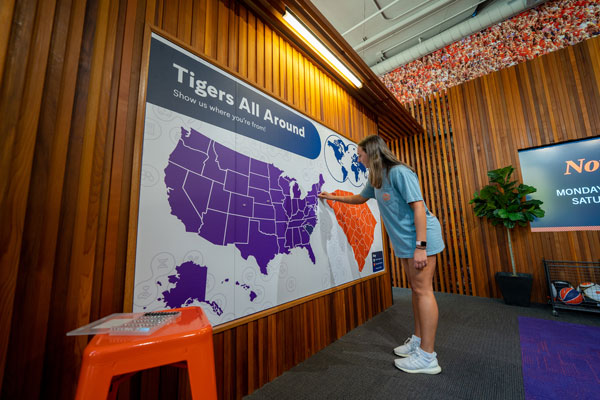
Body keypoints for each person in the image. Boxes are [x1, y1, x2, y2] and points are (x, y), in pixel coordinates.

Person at [318, 135, 444, 375]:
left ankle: (428, 357)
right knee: (416, 291)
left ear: (372, 152)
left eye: (360, 154)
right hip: (406, 242)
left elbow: (418, 207)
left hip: (420, 239)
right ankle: (418, 340)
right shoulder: (375, 178)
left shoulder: (398, 172)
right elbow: (359, 199)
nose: (358, 158)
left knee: (424, 290)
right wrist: (332, 197)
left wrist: (420, 246)